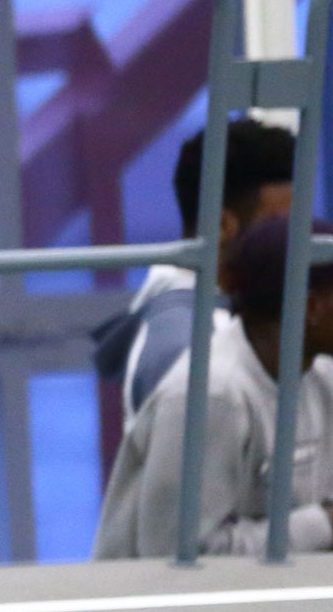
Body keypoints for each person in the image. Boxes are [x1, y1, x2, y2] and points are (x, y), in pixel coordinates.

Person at [94, 215, 333, 559]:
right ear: (311, 307)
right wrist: (322, 525)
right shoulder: (213, 396)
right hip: (166, 609)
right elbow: (175, 553)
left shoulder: (320, 375)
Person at [90, 118, 294, 423]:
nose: (293, 240)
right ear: (223, 225)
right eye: (278, 224)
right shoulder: (184, 345)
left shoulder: (218, 316)